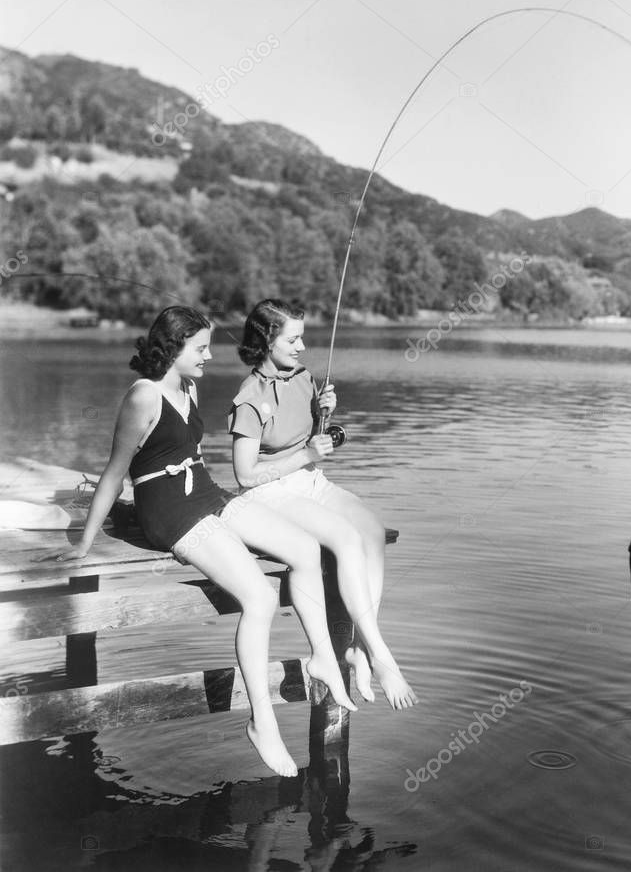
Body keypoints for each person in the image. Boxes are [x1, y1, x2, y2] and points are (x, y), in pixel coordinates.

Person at [46, 305, 357, 776]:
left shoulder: (188, 385)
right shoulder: (143, 397)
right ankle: (263, 722)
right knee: (258, 598)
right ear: (172, 348)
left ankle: (321, 659)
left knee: (306, 549)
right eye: (201, 347)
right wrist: (85, 545)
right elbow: (114, 473)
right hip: (170, 512)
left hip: (206, 493)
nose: (211, 356)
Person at [228, 298, 417, 710]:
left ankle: (358, 649)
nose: (301, 346)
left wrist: (324, 414)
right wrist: (306, 456)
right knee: (346, 540)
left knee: (372, 531)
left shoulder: (304, 378)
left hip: (310, 481)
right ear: (266, 341)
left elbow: (311, 439)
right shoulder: (249, 397)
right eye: (292, 339)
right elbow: (244, 476)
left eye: (303, 337)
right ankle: (379, 655)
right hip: (271, 492)